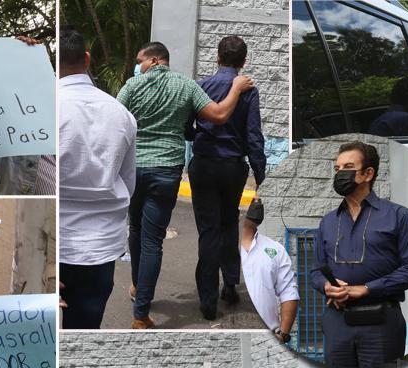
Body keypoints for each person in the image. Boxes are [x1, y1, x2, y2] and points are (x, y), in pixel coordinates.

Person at [118, 41, 255, 329]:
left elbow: (115, 123)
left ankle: (138, 287)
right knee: (153, 240)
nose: (138, 66)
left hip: (134, 169)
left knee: (136, 229)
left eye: (140, 61)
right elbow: (218, 115)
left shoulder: (132, 86)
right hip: (166, 170)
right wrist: (235, 89)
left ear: (155, 60)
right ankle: (141, 313)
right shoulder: (186, 86)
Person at [309, 142, 408, 368]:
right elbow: (315, 271)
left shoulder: (398, 216)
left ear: (368, 173)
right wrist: (326, 286)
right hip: (338, 319)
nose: (340, 173)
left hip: (381, 321)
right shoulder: (328, 222)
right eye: (337, 168)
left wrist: (367, 288)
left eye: (348, 167)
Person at [58, 27, 137, 329]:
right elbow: (128, 181)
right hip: (100, 245)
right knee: (84, 331)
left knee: (39, 338)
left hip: (52, 243)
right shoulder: (121, 114)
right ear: (87, 59)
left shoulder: (40, 111)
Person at [188, 35, 266, 320]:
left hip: (204, 164)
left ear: (217, 57)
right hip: (233, 166)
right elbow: (253, 135)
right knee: (229, 223)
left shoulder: (200, 86)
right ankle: (230, 285)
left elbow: (186, 128)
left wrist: (200, 134)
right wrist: (260, 174)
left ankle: (208, 300)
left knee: (208, 230)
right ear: (243, 61)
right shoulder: (248, 90)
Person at [239, 197, 299, 342]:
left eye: (258, 198)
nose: (257, 201)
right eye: (251, 198)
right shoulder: (217, 247)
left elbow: (288, 291)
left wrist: (283, 334)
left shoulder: (275, 249)